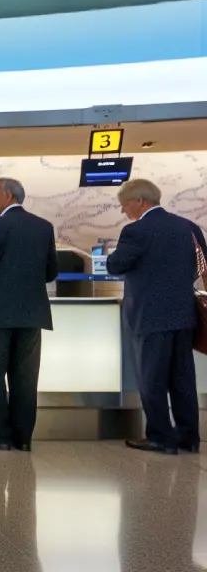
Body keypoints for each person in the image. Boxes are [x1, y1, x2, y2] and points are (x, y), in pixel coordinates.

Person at [106, 179, 207, 454]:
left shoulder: (136, 231)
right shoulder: (189, 227)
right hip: (184, 314)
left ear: (139, 201)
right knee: (183, 380)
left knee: (152, 379)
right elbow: (201, 267)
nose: (124, 211)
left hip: (150, 316)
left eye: (125, 205)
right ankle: (188, 438)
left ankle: (160, 437)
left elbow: (116, 265)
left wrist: (114, 254)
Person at [0, 178, 57, 452]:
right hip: (32, 314)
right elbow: (51, 272)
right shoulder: (44, 227)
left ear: (8, 196)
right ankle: (23, 438)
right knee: (26, 379)